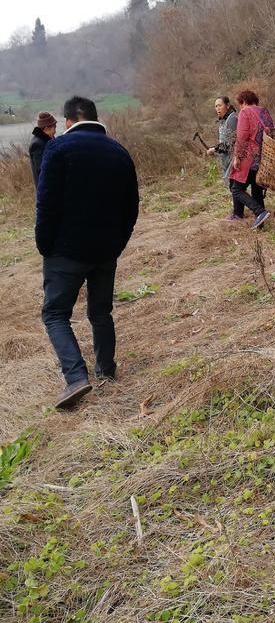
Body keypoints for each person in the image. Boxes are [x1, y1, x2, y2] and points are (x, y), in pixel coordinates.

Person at [35, 96, 139, 409]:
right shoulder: (119, 152)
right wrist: (117, 243)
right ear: (95, 117)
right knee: (100, 311)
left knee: (55, 313)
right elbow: (130, 207)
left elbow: (46, 203)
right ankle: (106, 370)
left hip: (65, 251)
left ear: (68, 121)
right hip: (106, 250)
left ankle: (76, 376)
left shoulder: (57, 149)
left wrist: (44, 244)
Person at [228, 89, 274, 229]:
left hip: (249, 157)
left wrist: (237, 157)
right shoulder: (264, 112)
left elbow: (242, 137)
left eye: (240, 104)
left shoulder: (245, 112)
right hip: (264, 156)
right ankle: (261, 224)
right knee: (256, 189)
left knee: (236, 189)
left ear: (243, 101)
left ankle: (260, 212)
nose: (240, 107)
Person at [206, 95, 241, 220]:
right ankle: (238, 212)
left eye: (220, 105)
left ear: (227, 105)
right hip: (227, 158)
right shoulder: (223, 120)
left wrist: (214, 149)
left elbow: (230, 143)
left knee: (235, 187)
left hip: (234, 157)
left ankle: (238, 213)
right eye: (215, 106)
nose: (217, 108)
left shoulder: (232, 119)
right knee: (234, 186)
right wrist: (216, 149)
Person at [28, 111, 57, 187]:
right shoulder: (37, 144)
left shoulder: (47, 141)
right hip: (46, 192)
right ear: (47, 128)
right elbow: (42, 171)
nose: (55, 131)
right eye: (54, 128)